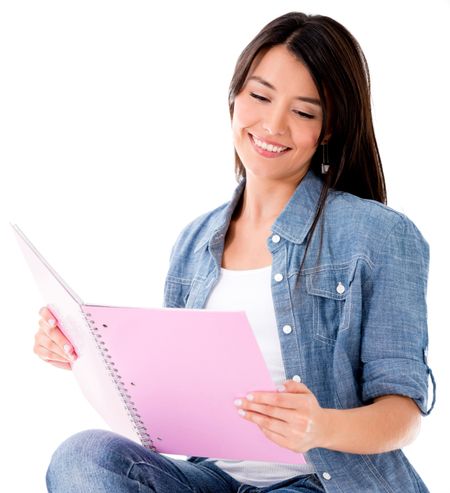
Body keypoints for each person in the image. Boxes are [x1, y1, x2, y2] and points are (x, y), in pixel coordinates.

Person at [36, 11, 435, 493]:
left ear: (327, 130)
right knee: (84, 457)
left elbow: (405, 416)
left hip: (322, 482)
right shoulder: (194, 242)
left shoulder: (378, 235)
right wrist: (83, 352)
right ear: (236, 95)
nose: (272, 124)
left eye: (304, 112)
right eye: (260, 96)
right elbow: (173, 400)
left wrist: (320, 427)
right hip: (216, 479)